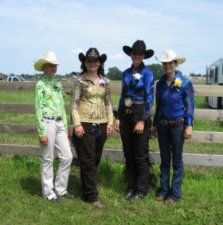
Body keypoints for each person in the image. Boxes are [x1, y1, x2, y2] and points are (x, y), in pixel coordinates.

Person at [71, 48, 113, 208]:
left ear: (99, 62)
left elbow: (108, 102)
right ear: (85, 63)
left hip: (102, 124)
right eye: (89, 61)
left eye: (95, 60)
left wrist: (110, 122)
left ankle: (85, 188)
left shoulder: (105, 81)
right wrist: (77, 124)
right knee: (87, 161)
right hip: (84, 123)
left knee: (94, 159)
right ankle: (92, 196)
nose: (92, 63)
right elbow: (74, 103)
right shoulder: (79, 80)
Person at [153, 49, 195, 204]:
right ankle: (163, 190)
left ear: (175, 64)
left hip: (178, 126)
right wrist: (155, 124)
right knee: (164, 159)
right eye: (165, 63)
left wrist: (189, 125)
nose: (167, 66)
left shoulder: (185, 83)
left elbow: (189, 106)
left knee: (177, 160)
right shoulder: (160, 84)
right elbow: (158, 105)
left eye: (170, 63)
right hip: (163, 126)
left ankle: (175, 194)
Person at [114, 40, 154, 201]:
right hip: (126, 113)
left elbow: (150, 98)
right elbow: (123, 96)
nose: (136, 56)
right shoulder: (125, 73)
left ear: (143, 56)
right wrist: (118, 117)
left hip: (140, 113)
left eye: (139, 54)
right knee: (128, 153)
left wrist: (143, 120)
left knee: (140, 154)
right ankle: (131, 186)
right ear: (131, 55)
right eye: (134, 53)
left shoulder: (148, 74)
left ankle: (142, 188)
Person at [34, 51, 74, 204]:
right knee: (48, 157)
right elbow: (38, 108)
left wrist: (66, 125)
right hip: (47, 123)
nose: (53, 68)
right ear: (44, 67)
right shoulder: (40, 85)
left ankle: (60, 189)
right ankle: (48, 192)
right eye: (50, 65)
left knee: (67, 156)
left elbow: (62, 107)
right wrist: (41, 131)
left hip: (59, 123)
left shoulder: (58, 84)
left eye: (55, 65)